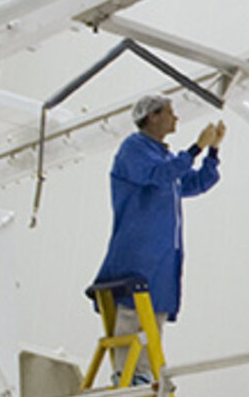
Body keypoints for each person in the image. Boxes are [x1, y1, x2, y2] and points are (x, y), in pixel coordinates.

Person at [89, 95, 225, 377]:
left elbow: (197, 183)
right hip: (137, 251)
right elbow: (159, 175)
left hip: (164, 256)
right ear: (152, 116)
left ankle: (145, 372)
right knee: (131, 311)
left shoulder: (166, 158)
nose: (176, 118)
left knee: (156, 314)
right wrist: (196, 147)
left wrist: (212, 151)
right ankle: (125, 373)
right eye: (170, 112)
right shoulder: (133, 149)